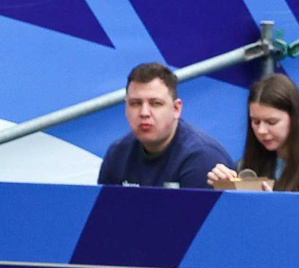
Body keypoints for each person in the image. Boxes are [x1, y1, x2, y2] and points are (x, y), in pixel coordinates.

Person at [206, 73, 299, 194]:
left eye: (271, 122)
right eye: (255, 122)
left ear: (294, 119)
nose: (261, 131)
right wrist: (223, 188)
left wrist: (276, 208)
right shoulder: (246, 165)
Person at [97, 63, 232, 189]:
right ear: (126, 108)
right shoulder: (117, 154)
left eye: (155, 103)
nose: (144, 113)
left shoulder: (202, 159)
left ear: (176, 109)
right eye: (135, 103)